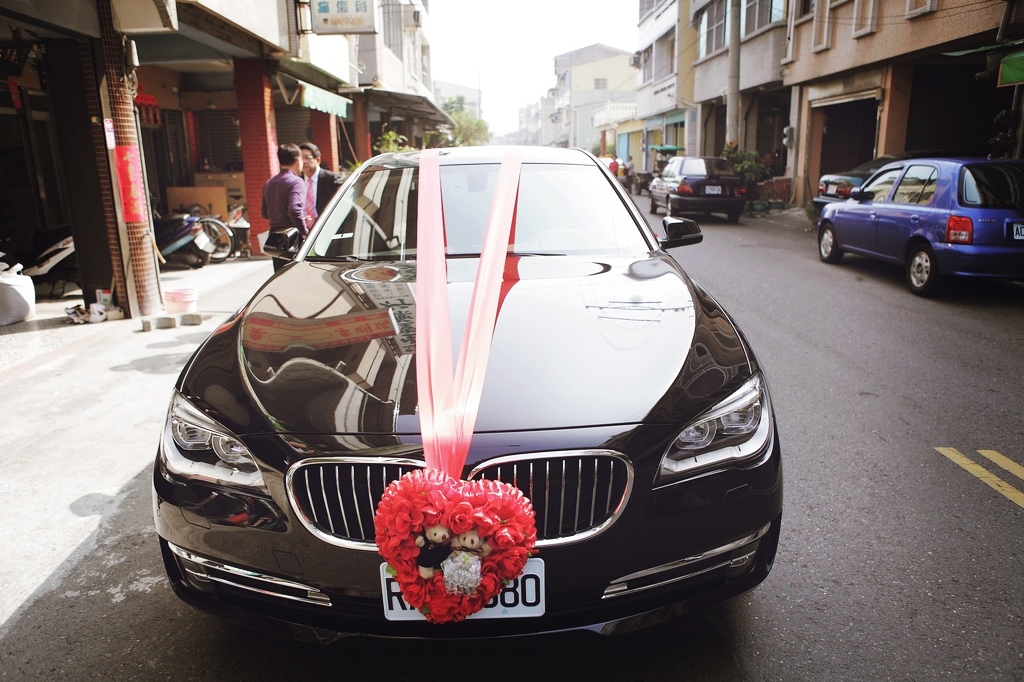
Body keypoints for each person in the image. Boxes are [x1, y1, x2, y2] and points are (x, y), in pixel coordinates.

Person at [261, 143, 305, 271]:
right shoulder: (296, 182)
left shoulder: (269, 183)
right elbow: (295, 210)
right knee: (297, 274)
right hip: (292, 236)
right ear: (298, 160)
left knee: (281, 274)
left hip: (275, 237)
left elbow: (265, 213)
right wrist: (304, 232)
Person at [299, 142, 345, 230]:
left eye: (307, 158)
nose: (304, 162)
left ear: (318, 160)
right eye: (301, 159)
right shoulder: (297, 182)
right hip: (304, 230)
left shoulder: (332, 179)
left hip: (328, 228)